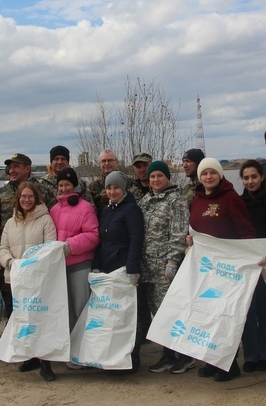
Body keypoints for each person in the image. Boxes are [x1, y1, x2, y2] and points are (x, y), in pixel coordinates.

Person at [187, 158, 257, 382]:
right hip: (205, 269)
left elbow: (246, 231)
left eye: (212, 173)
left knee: (226, 315)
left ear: (220, 175)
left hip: (228, 267)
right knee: (207, 314)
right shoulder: (196, 200)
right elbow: (196, 229)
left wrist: (252, 257)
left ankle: (229, 363)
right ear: (200, 177)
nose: (209, 177)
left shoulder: (231, 198)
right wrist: (190, 238)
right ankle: (211, 359)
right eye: (204, 173)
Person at [0, 181, 58, 381]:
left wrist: (32, 267)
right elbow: (3, 248)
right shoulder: (10, 222)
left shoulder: (46, 220)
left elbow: (50, 248)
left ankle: (46, 363)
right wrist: (11, 263)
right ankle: (30, 356)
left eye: (30, 196)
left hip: (38, 279)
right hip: (15, 278)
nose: (26, 200)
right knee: (23, 320)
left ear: (37, 198)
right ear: (18, 199)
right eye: (23, 196)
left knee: (41, 320)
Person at [137, 160, 189, 374]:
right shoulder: (146, 200)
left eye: (159, 176)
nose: (156, 180)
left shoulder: (176, 200)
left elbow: (179, 233)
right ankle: (168, 354)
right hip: (147, 266)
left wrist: (173, 261)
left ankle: (184, 356)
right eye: (152, 177)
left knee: (171, 312)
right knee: (157, 314)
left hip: (166, 268)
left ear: (167, 177)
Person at [93, 170, 145, 372]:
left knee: (128, 317)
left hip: (124, 269)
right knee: (111, 316)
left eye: (116, 187)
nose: (112, 191)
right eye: (109, 187)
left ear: (123, 189)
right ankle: (113, 358)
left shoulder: (131, 210)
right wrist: (96, 264)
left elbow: (136, 240)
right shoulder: (106, 210)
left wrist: (132, 269)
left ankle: (133, 359)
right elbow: (100, 240)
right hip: (107, 270)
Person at [49, 168, 100, 334]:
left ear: (75, 186)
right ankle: (70, 348)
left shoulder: (85, 207)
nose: (64, 189)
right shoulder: (54, 210)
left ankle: (84, 349)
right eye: (61, 185)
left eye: (67, 185)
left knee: (82, 308)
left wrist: (70, 246)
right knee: (65, 310)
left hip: (80, 265)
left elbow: (93, 236)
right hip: (60, 267)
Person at [238, 159, 266, 373]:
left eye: (254, 177)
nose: (250, 181)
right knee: (248, 311)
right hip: (246, 264)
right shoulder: (238, 203)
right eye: (246, 178)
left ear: (262, 177)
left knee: (265, 311)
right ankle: (251, 355)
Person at [0, 153, 32, 316]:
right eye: (10, 167)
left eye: (16, 167)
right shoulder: (0, 194)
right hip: (8, 260)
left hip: (33, 262)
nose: (11, 170)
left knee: (32, 308)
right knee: (10, 306)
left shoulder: (42, 192)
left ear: (27, 169)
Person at [89, 149, 120, 214]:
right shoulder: (92, 187)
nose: (107, 163)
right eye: (103, 161)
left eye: (110, 160)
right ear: (99, 164)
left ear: (117, 163)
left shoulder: (129, 183)